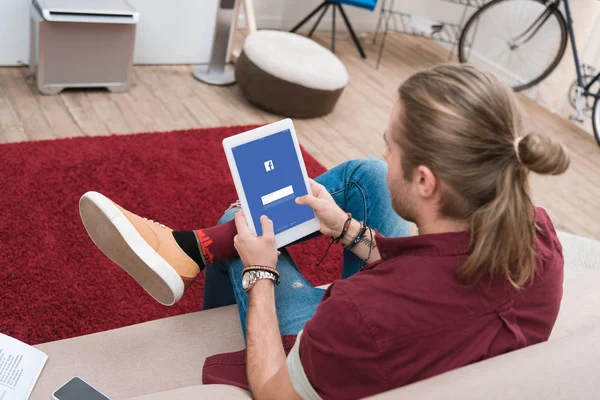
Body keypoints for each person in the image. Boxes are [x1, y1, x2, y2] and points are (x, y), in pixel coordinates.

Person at [79, 63, 570, 400]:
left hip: (351, 349)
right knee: (367, 178)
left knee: (243, 222)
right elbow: (437, 274)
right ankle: (192, 250)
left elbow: (277, 391)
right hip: (428, 324)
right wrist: (347, 230)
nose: (386, 153)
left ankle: (200, 251)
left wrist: (260, 273)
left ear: (425, 181)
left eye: (392, 146)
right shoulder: (540, 238)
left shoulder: (359, 313)